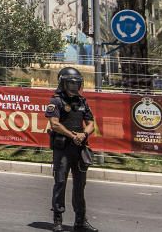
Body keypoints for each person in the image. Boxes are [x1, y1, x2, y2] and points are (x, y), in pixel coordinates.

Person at [44, 67, 98, 232]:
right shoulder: (56, 101)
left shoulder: (82, 102)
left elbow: (91, 124)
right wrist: (72, 135)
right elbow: (54, 124)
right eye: (71, 83)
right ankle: (58, 220)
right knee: (60, 183)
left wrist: (83, 134)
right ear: (63, 83)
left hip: (79, 149)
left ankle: (80, 222)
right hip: (62, 149)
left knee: (80, 186)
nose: (74, 86)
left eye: (77, 83)